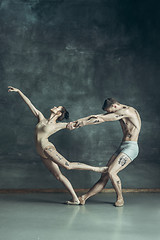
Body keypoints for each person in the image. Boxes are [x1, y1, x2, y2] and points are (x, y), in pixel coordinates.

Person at [8, 86, 108, 205]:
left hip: (47, 148)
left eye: (57, 108)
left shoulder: (58, 125)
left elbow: (77, 124)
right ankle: (75, 199)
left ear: (59, 113)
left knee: (68, 166)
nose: (54, 107)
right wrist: (19, 91)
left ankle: (97, 169)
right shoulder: (41, 118)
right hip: (41, 152)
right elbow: (29, 103)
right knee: (59, 176)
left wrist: (94, 118)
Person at [67, 98, 141, 207]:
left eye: (110, 111)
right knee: (105, 175)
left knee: (111, 172)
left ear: (115, 106)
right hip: (123, 146)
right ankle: (84, 198)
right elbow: (97, 116)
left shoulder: (127, 111)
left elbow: (102, 119)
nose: (109, 113)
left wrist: (82, 124)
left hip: (131, 148)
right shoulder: (119, 111)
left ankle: (120, 198)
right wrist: (76, 122)